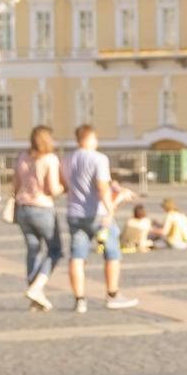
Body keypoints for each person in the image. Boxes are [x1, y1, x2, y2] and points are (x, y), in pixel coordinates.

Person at [64, 125, 139, 312]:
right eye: (95, 139)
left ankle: (79, 300)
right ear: (90, 138)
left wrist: (114, 187)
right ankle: (112, 295)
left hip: (74, 212)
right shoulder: (99, 158)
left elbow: (68, 185)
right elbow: (102, 188)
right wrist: (112, 207)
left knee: (77, 256)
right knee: (112, 253)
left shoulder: (67, 159)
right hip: (97, 213)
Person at [15, 126, 65, 311]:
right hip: (42, 207)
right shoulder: (49, 159)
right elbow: (52, 188)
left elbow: (15, 184)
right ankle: (37, 287)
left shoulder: (22, 157)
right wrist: (62, 188)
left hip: (22, 208)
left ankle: (35, 297)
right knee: (55, 250)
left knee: (33, 250)